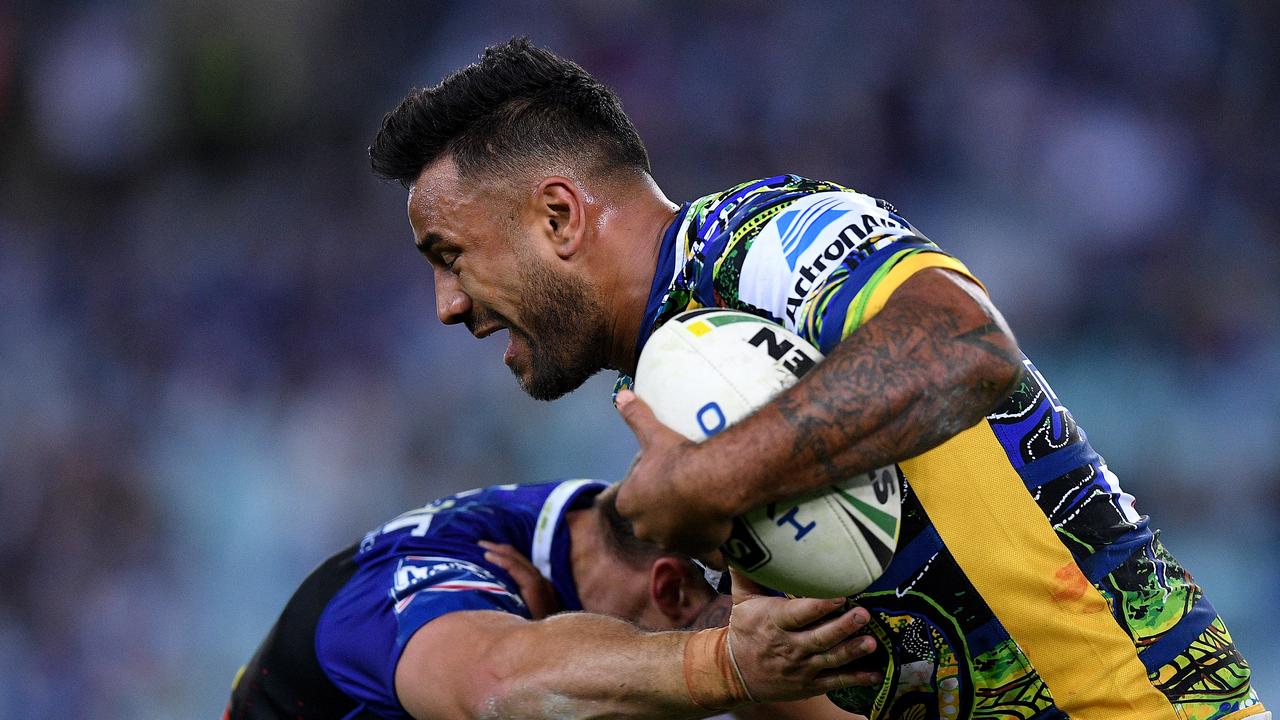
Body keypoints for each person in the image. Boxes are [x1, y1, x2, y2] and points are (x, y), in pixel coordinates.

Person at [366, 38, 1268, 720]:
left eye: (450, 256)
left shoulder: (762, 238)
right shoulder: (670, 375)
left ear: (558, 215)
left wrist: (712, 478)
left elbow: (966, 346)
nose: (447, 305)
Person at [225, 479, 878, 719]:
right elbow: (500, 688)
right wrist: (726, 666)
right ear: (673, 587)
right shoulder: (415, 590)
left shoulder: (602, 523)